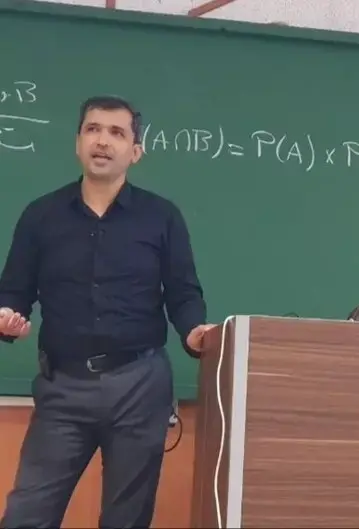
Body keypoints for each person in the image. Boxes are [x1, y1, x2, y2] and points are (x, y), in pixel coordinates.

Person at [0, 95, 215, 528]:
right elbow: (14, 291)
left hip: (139, 386)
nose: (102, 141)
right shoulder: (41, 215)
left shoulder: (162, 217)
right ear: (77, 142)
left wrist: (194, 331)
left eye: (117, 133)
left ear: (135, 151)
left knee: (126, 519)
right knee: (26, 515)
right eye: (93, 129)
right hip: (62, 388)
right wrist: (7, 318)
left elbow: (183, 292)